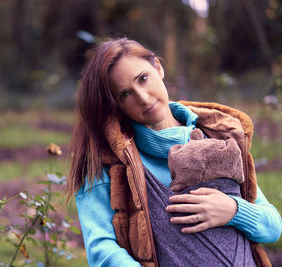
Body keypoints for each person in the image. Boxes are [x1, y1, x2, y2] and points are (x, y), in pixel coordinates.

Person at [67, 38, 282, 267]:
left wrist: (234, 210)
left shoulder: (219, 137)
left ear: (158, 68)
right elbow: (102, 252)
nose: (143, 97)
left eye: (143, 78)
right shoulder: (107, 164)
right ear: (115, 105)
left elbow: (273, 227)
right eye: (125, 94)